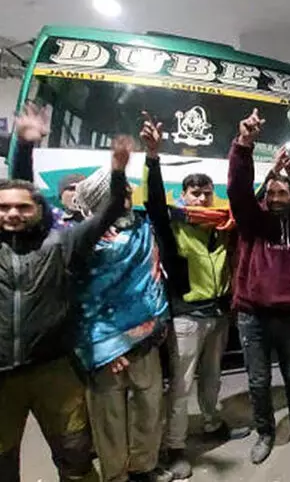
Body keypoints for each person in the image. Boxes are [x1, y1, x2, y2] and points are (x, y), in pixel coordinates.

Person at [0, 109, 127, 482]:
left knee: (75, 458)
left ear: (40, 210)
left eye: (24, 207)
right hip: (1, 377)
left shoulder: (62, 244)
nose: (13, 213)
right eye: (4, 207)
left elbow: (109, 212)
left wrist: (118, 171)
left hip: (55, 371)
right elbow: (18, 185)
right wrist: (25, 144)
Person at [139, 115, 249, 479]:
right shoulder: (173, 224)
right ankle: (174, 447)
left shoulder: (223, 225)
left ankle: (212, 422)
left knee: (213, 377)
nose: (201, 198)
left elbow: (247, 199)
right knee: (182, 384)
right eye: (194, 193)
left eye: (206, 193)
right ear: (183, 195)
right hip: (186, 317)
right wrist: (152, 157)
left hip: (218, 314)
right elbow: (153, 201)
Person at [72, 136, 171, 482]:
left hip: (146, 336)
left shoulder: (143, 228)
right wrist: (106, 348)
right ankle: (115, 475)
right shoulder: (85, 242)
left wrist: (152, 156)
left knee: (149, 407)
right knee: (108, 419)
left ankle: (143, 467)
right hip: (104, 348)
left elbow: (156, 200)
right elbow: (82, 300)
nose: (129, 191)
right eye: (121, 189)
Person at [227, 109, 290, 464]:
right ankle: (265, 432)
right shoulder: (253, 222)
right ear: (265, 196)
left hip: (289, 317)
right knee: (258, 380)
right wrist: (244, 144)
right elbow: (238, 189)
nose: (277, 198)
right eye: (272, 193)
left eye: (284, 193)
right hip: (252, 316)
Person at [9, 104, 85, 229]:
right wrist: (25, 145)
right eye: (71, 189)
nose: (76, 194)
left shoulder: (105, 225)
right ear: (60, 197)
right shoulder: (51, 220)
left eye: (82, 189)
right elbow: (24, 189)